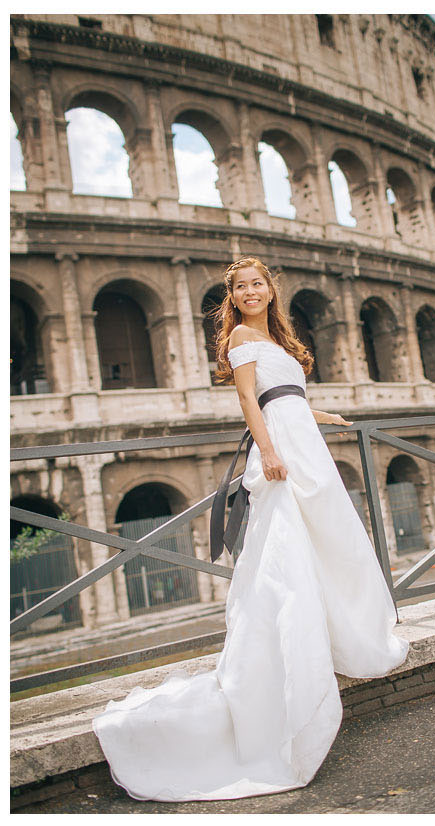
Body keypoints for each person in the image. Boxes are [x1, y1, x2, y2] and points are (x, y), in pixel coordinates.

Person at [92, 258, 409, 801]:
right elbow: (247, 400)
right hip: (281, 449)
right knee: (286, 553)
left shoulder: (278, 340)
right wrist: (267, 451)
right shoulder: (240, 335)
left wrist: (324, 419)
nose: (252, 292)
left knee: (327, 541)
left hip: (302, 438)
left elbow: (286, 396)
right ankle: (294, 667)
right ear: (233, 299)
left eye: (259, 283)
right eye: (242, 287)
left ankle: (332, 639)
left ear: (271, 290)